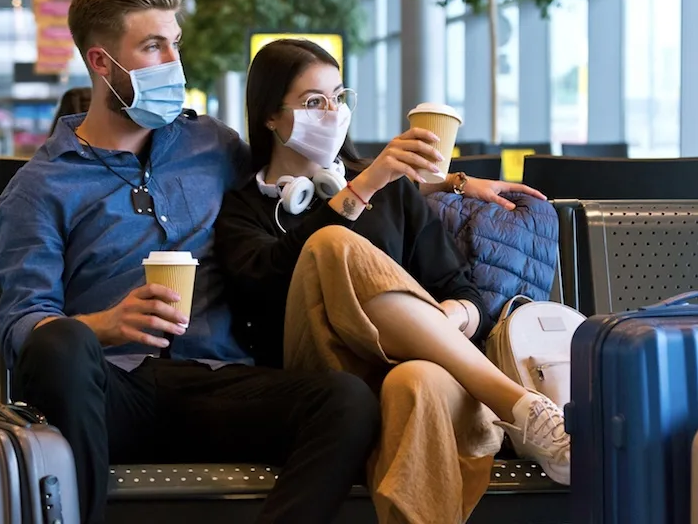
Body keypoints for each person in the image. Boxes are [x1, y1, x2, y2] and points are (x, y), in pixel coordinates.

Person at [0, 0, 381, 524]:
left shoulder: (211, 146)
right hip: (110, 393)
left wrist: (455, 183)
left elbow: (303, 172)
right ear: (102, 62)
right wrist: (105, 324)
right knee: (62, 345)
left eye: (174, 43)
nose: (173, 63)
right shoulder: (41, 187)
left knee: (346, 401)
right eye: (153, 46)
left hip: (216, 384)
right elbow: (18, 328)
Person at [215, 38, 571, 524]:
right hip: (320, 373)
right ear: (270, 117)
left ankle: (522, 411)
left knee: (416, 380)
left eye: (338, 98)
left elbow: (463, 291)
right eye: (313, 102)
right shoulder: (243, 207)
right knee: (331, 245)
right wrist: (362, 188)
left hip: (421, 367)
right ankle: (514, 401)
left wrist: (445, 318)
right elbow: (261, 285)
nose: (332, 112)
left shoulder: (393, 191)